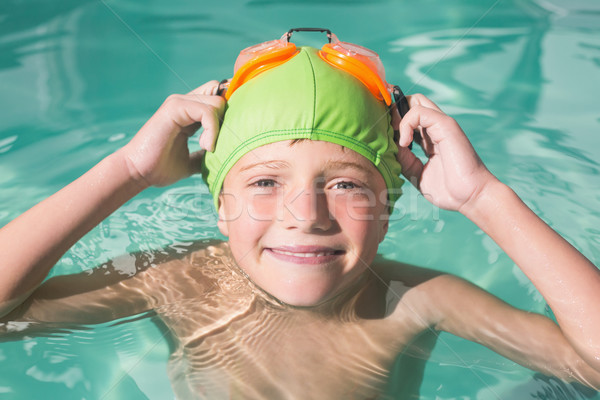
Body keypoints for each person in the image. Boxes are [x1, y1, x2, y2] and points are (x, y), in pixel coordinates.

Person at [1, 29, 599, 399]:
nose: (305, 214)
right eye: (263, 182)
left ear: (388, 204)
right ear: (219, 206)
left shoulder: (415, 299)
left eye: (345, 184)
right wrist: (128, 171)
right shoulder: (178, 280)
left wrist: (483, 199)